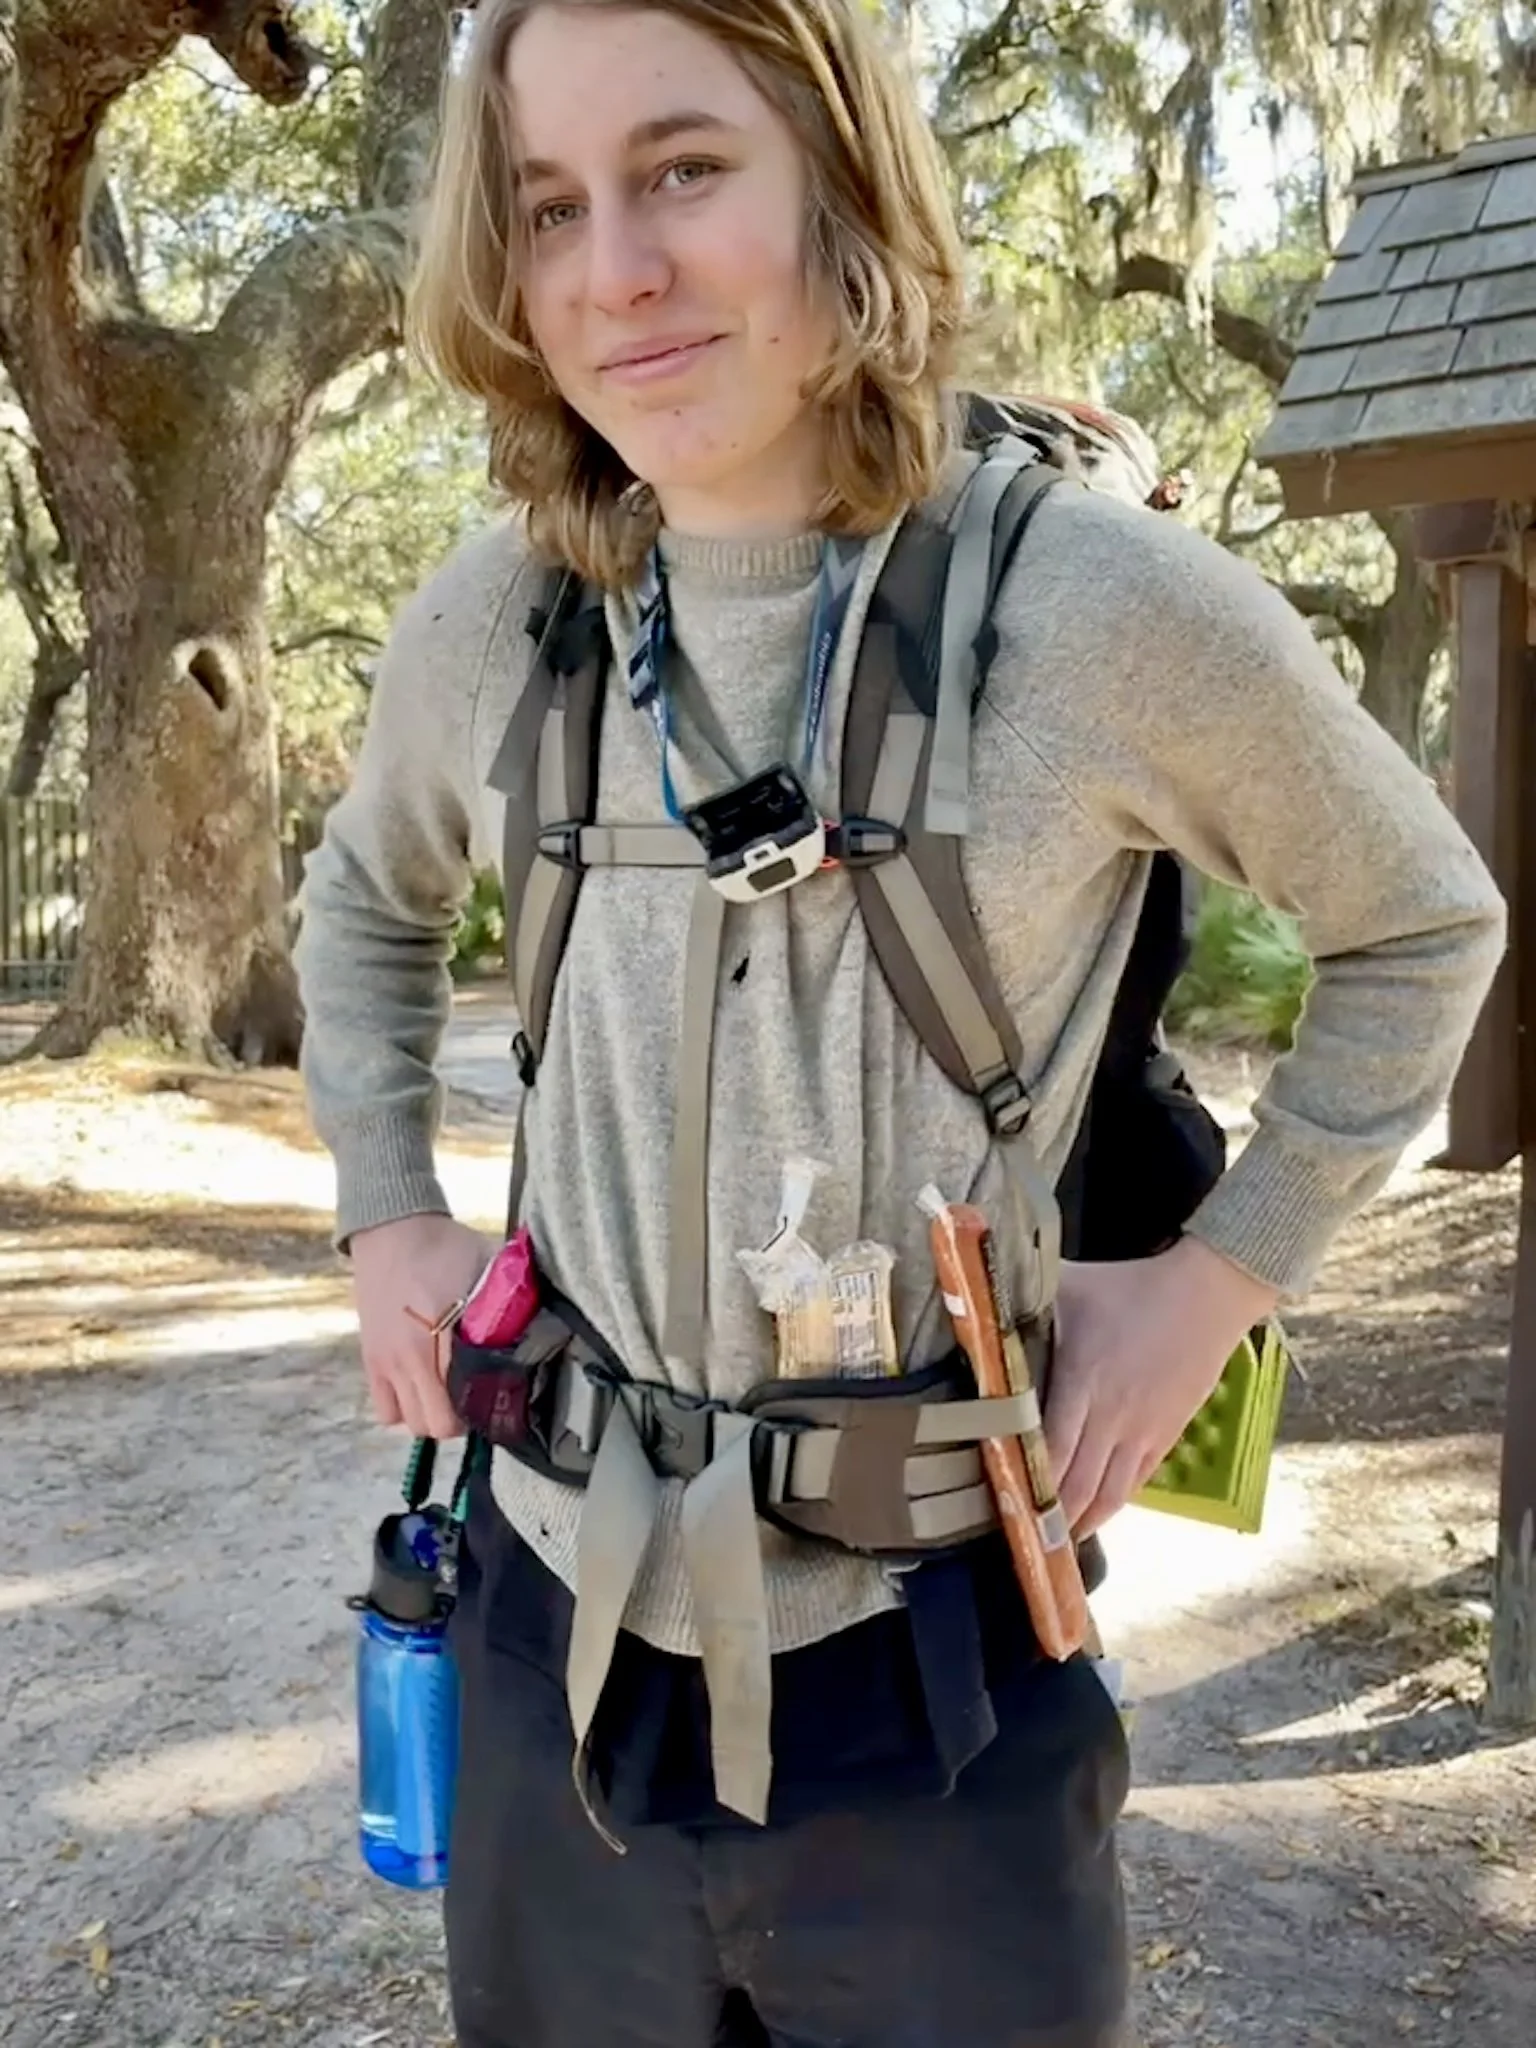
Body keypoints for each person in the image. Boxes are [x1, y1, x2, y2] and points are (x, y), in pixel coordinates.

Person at [293, 3, 1506, 2044]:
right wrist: (384, 1204)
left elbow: (1423, 919)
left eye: (684, 170)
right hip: (546, 1655)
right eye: (549, 206)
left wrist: (1217, 1283)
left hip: (938, 1672)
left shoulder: (1099, 608)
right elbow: (364, 896)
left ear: (841, 180)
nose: (617, 271)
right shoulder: (496, 617)